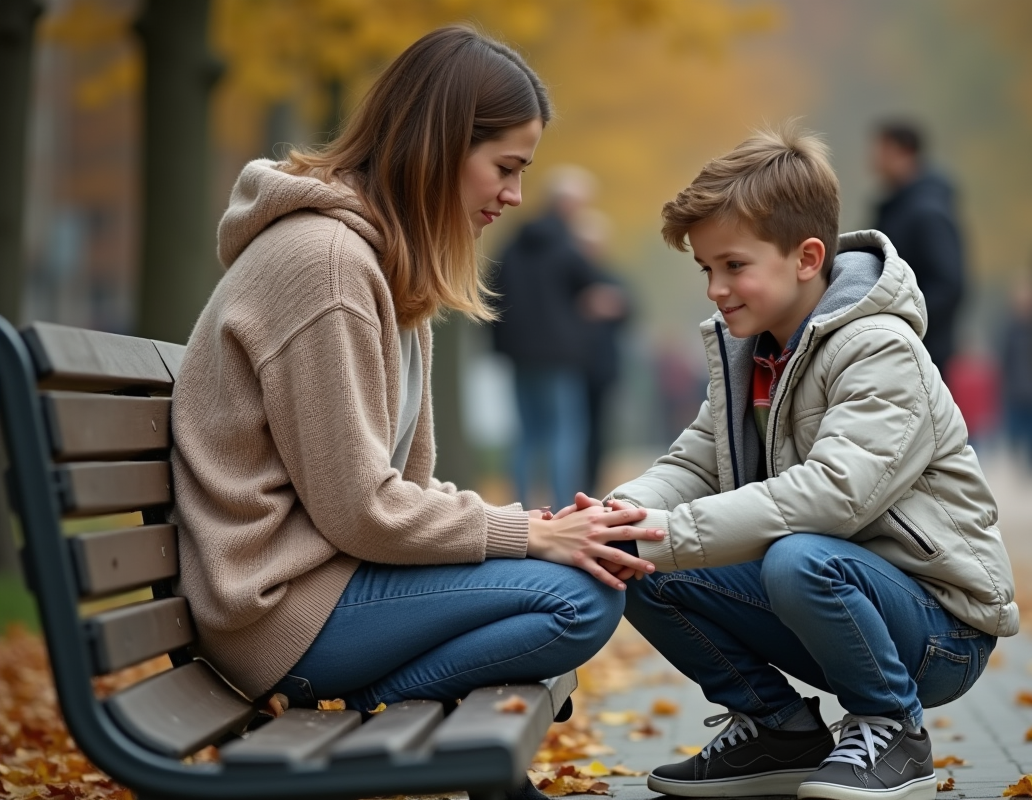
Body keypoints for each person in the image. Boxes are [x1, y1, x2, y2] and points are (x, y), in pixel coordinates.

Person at [169, 26, 665, 765]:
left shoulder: (386, 266)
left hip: (328, 582)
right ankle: (379, 716)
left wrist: (528, 524)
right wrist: (529, 537)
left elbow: (401, 488)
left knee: (582, 572)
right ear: (439, 145)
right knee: (579, 599)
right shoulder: (329, 266)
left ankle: (406, 718)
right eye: (504, 166)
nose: (514, 195)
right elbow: (361, 506)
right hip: (278, 610)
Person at [598, 126, 1017, 800]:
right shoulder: (751, 353)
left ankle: (893, 729)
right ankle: (779, 731)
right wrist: (620, 514)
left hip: (939, 627)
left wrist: (672, 534)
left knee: (793, 557)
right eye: (706, 269)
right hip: (829, 592)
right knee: (637, 563)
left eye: (733, 266)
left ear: (806, 257)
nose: (714, 287)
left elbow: (832, 497)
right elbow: (694, 463)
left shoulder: (879, 349)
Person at [491, 166, 608, 509]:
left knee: (526, 435)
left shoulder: (512, 246)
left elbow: (492, 296)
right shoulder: (564, 246)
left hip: (518, 355)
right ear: (566, 203)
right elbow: (594, 286)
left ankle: (519, 507)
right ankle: (562, 507)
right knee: (564, 434)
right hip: (560, 355)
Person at [871, 120, 966, 377]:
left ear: (904, 152)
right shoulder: (895, 208)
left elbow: (948, 285)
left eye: (881, 149)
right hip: (897, 344)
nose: (872, 158)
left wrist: (904, 319)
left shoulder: (927, 212)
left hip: (922, 350)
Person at [572, 208, 631, 495]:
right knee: (571, 429)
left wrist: (612, 305)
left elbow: (631, 311)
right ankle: (570, 483)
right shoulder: (568, 278)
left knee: (597, 432)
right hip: (571, 366)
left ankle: (591, 485)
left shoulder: (612, 278)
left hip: (602, 368)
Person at [999, 280, 1032, 474]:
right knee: (1016, 428)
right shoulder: (1011, 329)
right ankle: (1018, 458)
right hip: (1016, 387)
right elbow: (1006, 358)